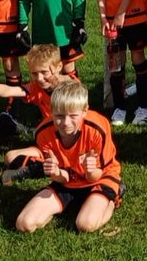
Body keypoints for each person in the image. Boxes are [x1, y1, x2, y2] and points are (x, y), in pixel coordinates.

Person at [15, 81, 123, 234]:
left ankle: (113, 198)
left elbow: (98, 174)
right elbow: (62, 178)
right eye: (59, 116)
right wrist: (55, 173)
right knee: (24, 224)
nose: (66, 123)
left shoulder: (97, 128)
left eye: (73, 116)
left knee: (85, 225)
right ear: (51, 112)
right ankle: (68, 205)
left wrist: (89, 170)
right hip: (68, 182)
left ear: (84, 111)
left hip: (99, 178)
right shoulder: (43, 133)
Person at [0, 44, 77, 185]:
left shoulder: (72, 89)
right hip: (49, 142)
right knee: (9, 157)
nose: (39, 78)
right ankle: (43, 168)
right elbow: (10, 91)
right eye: (34, 73)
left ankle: (41, 169)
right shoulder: (37, 88)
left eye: (44, 72)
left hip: (71, 144)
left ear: (58, 67)